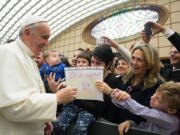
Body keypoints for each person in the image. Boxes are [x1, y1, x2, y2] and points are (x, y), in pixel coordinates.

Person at [0, 15, 77, 135]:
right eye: (44, 37)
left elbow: (31, 94)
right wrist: (57, 98)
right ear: (27, 32)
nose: (47, 43)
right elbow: (14, 107)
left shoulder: (28, 57)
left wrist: (42, 119)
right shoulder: (7, 53)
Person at [95, 44, 164, 124]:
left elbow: (148, 114)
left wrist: (131, 122)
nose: (134, 63)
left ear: (149, 64)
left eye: (139, 60)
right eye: (133, 58)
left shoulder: (157, 86)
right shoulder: (124, 79)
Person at [111, 81, 180, 135]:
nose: (152, 97)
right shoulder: (157, 110)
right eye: (154, 94)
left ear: (171, 110)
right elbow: (144, 127)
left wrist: (110, 92)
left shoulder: (171, 121)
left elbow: (141, 110)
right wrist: (131, 123)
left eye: (158, 99)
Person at [53, 51, 95, 135]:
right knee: (57, 125)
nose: (80, 64)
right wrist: (63, 83)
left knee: (79, 129)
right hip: (71, 107)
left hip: (86, 109)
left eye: (84, 62)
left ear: (90, 64)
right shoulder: (71, 74)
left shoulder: (93, 76)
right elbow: (64, 82)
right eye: (78, 62)